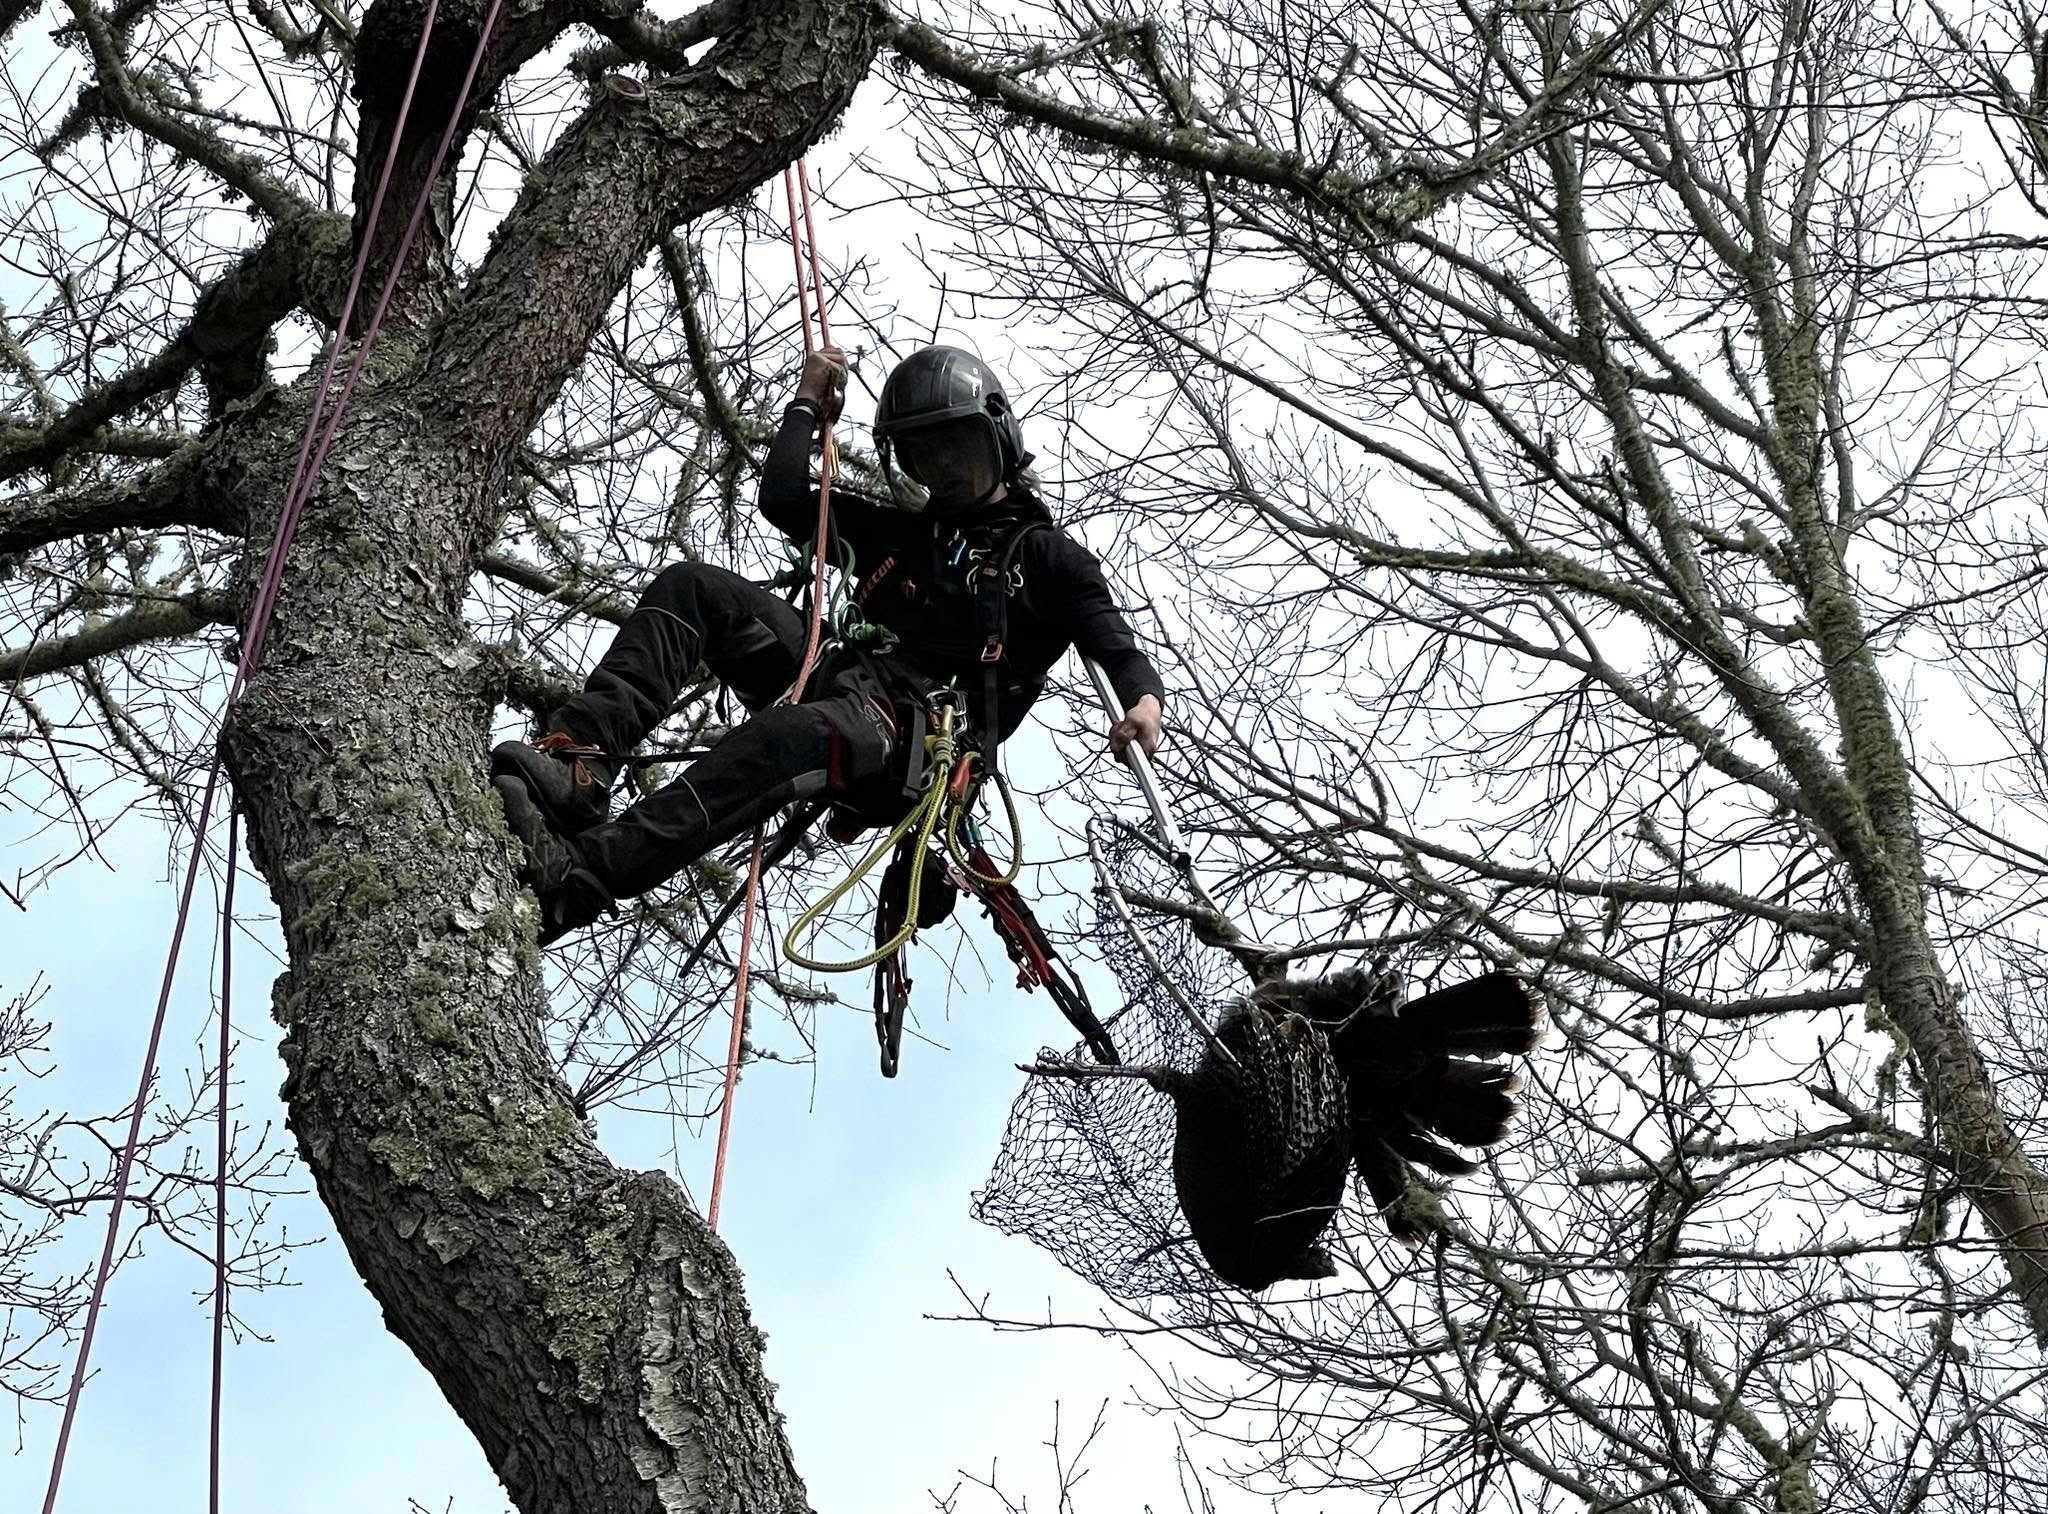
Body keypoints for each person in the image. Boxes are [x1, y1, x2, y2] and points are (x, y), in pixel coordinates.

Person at [492, 343, 1167, 942]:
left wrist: (1143, 701)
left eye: (955, 447)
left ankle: (579, 881)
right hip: (839, 677)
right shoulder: (900, 538)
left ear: (995, 438)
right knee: (694, 588)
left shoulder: (1046, 557)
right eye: (926, 454)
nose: (944, 469)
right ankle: (578, 764)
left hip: (912, 739)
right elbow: (786, 498)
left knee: (788, 736)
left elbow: (1110, 638)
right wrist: (806, 407)